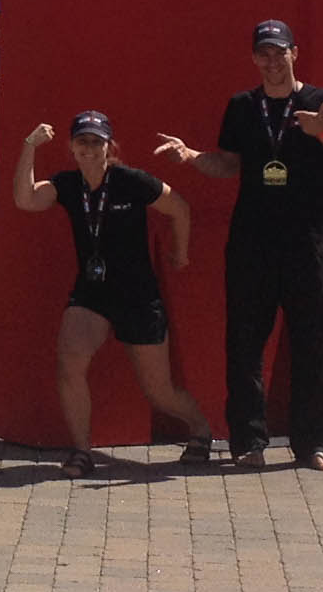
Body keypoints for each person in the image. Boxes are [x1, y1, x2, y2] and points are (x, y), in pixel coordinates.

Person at [154, 19, 323, 472]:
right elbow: (228, 164)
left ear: (295, 53)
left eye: (279, 52)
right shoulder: (243, 107)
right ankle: (248, 441)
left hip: (305, 246)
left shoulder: (322, 103)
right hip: (251, 245)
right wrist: (191, 157)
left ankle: (315, 444)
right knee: (245, 345)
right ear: (254, 58)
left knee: (313, 346)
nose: (272, 61)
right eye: (263, 54)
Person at [13, 110, 217, 477]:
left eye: (96, 141)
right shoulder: (68, 184)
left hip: (139, 295)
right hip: (92, 293)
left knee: (160, 392)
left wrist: (181, 253)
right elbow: (26, 199)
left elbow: (180, 208)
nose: (89, 149)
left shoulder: (130, 181)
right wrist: (29, 146)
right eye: (82, 141)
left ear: (109, 146)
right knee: (69, 361)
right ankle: (81, 451)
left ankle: (201, 428)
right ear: (72, 147)